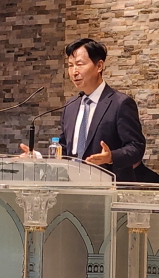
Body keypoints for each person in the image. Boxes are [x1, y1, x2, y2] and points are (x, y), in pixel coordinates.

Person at [54, 38, 146, 182]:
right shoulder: (70, 106)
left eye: (79, 64)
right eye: (70, 65)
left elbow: (136, 147)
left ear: (99, 66)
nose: (74, 72)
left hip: (108, 186)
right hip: (73, 185)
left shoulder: (120, 103)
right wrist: (38, 157)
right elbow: (64, 148)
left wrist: (111, 157)